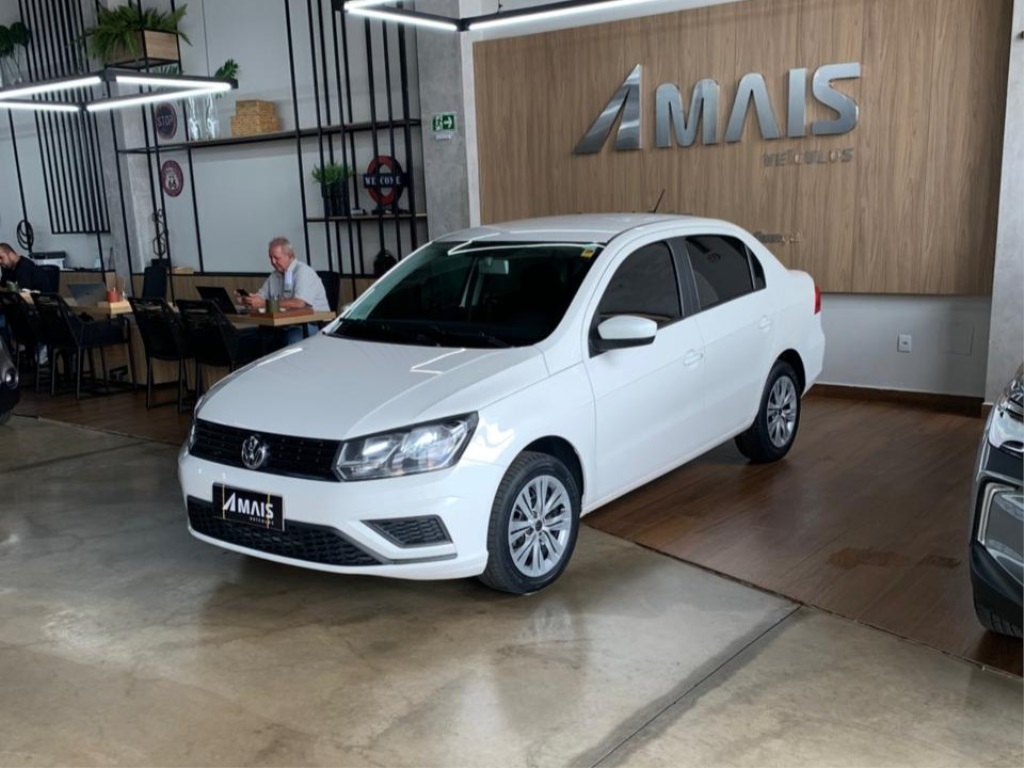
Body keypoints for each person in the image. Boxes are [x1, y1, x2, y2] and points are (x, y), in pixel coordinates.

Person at [239, 237, 329, 346]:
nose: (273, 262)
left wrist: (263, 303)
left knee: (292, 338)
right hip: (285, 324)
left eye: (276, 258)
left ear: (290, 256)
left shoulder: (304, 272)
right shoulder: (275, 275)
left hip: (311, 325)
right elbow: (261, 297)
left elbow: (299, 303)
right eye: (270, 258)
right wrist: (249, 300)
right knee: (258, 336)